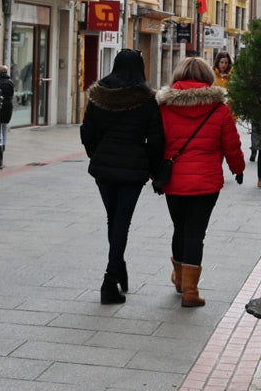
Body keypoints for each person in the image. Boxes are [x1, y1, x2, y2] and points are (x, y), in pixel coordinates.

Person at [157, 57, 245, 307]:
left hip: (174, 179)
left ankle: (179, 278)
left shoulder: (164, 107)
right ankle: (190, 292)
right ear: (207, 77)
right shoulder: (219, 109)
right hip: (206, 183)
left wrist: (155, 173)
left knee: (180, 228)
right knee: (196, 232)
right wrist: (237, 168)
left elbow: (156, 142)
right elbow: (232, 143)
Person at [80, 50, 164, 304]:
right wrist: (150, 165)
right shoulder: (146, 98)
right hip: (133, 169)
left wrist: (97, 154)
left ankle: (119, 267)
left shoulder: (99, 95)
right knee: (121, 221)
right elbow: (156, 138)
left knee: (113, 219)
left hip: (104, 168)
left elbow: (87, 132)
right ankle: (109, 279)